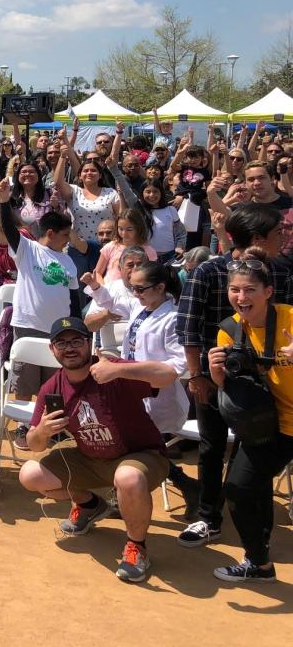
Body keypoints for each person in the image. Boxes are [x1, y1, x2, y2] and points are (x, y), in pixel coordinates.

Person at [18, 317, 177, 583]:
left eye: (76, 341)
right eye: (61, 343)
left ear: (90, 343)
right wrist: (42, 431)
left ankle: (136, 546)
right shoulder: (52, 387)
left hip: (140, 455)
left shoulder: (111, 369)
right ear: (52, 349)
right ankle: (89, 505)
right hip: (90, 458)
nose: (69, 348)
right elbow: (34, 445)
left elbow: (169, 375)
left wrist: (120, 370)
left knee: (128, 477)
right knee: (30, 474)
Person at [176, 203, 293, 548]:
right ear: (257, 238)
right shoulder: (209, 271)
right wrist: (197, 376)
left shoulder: (279, 272)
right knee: (212, 447)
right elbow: (188, 328)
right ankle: (209, 517)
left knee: (255, 453)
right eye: (278, 233)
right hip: (215, 377)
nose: (283, 238)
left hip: (267, 383)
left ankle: (258, 531)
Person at [83, 262, 199, 517]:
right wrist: (95, 286)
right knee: (138, 447)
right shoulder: (140, 306)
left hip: (157, 396)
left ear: (160, 287)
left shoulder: (173, 318)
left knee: (138, 448)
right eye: (132, 288)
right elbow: (112, 303)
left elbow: (176, 365)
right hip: (131, 392)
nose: (134, 293)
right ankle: (186, 487)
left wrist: (122, 369)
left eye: (140, 289)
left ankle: (130, 496)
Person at [207, 248, 293, 582]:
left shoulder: (289, 318)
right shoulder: (229, 330)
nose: (241, 297)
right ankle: (259, 563)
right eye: (234, 290)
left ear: (268, 292)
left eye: (249, 290)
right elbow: (231, 387)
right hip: (269, 426)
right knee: (239, 489)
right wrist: (217, 374)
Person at [0, 179, 78, 398]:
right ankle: (23, 419)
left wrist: (75, 328)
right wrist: (4, 200)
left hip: (58, 330)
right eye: (65, 235)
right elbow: (8, 228)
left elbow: (74, 300)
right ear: (50, 233)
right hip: (28, 326)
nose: (68, 240)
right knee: (25, 383)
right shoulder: (27, 249)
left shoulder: (68, 261)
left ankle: (49, 419)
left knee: (54, 387)